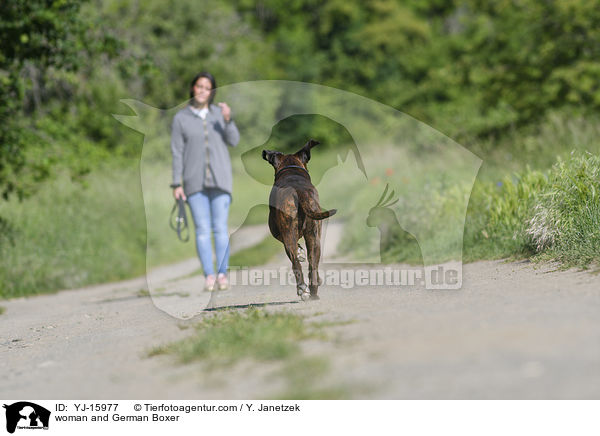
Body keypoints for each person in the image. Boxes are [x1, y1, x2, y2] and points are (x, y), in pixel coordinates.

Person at [170, 72, 240, 291]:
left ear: (212, 92)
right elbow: (177, 152)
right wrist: (176, 183)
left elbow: (234, 140)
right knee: (202, 229)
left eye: (207, 87)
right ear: (193, 88)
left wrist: (228, 120)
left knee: (220, 228)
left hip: (221, 180)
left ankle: (222, 275)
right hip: (193, 183)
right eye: (199, 86)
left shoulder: (220, 114)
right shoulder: (181, 118)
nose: (202, 90)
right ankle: (209, 276)